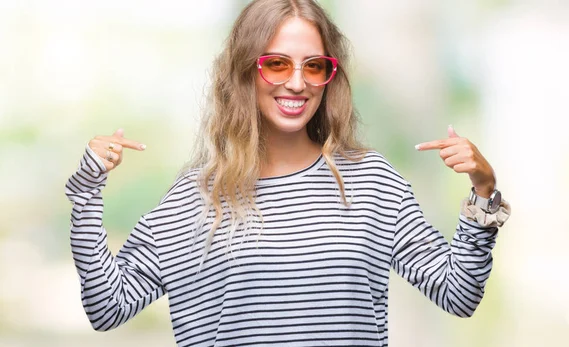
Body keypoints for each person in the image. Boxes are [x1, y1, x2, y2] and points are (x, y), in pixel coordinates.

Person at [65, 0, 511, 346]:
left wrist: (483, 191)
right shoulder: (195, 198)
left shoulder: (370, 182)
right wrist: (87, 191)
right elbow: (108, 307)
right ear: (245, 72)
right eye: (276, 63)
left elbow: (458, 294)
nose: (296, 82)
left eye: (314, 66)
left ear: (328, 78)